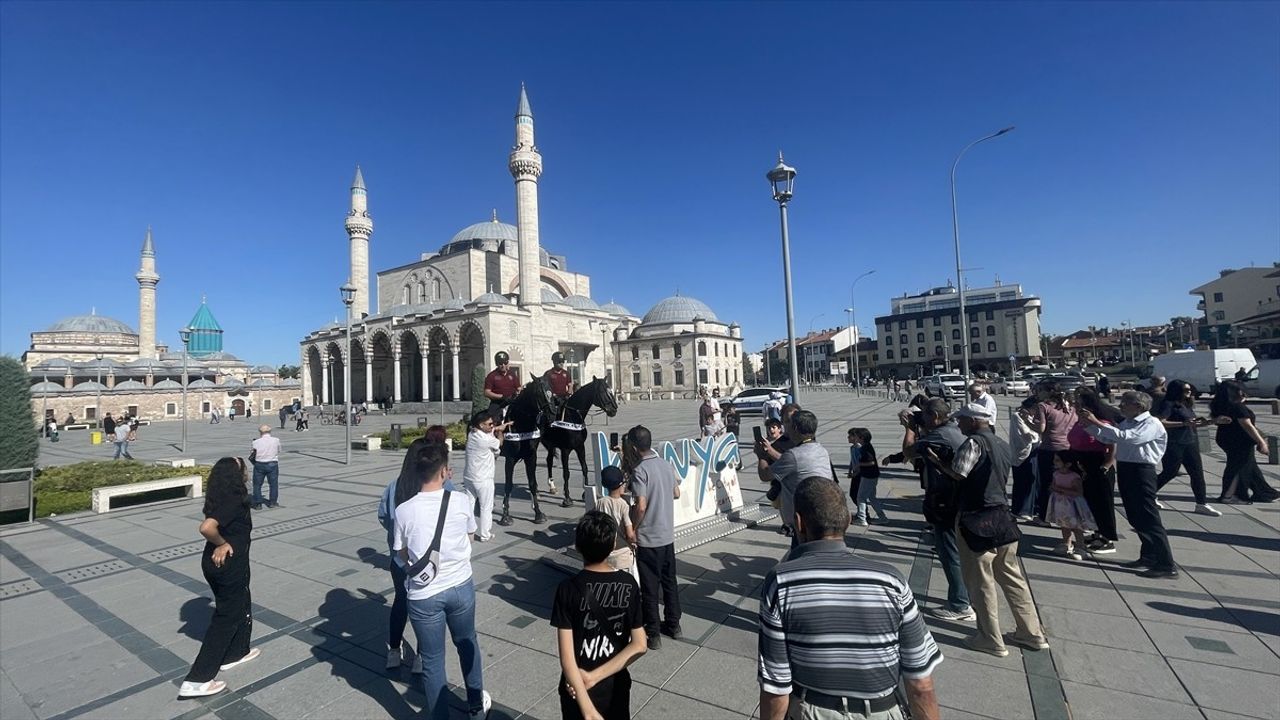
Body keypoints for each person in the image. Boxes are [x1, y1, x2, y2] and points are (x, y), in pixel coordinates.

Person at [757, 477, 942, 720]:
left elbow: (776, 688)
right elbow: (921, 685)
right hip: (883, 710)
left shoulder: (781, 582)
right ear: (848, 520)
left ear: (799, 523)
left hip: (814, 710)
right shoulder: (892, 581)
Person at [924, 402, 1049, 658]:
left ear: (974, 421)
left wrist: (937, 463)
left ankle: (990, 638)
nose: (958, 424)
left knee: (981, 582)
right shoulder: (1002, 444)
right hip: (1002, 516)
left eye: (962, 420)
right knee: (1013, 578)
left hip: (976, 518)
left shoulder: (974, 443)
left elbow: (959, 474)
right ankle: (1031, 633)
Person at [393, 443, 491, 720]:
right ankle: (475, 706)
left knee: (433, 661)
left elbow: (401, 552)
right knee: (467, 642)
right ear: (445, 472)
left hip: (423, 595)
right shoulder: (460, 500)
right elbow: (471, 536)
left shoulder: (404, 510)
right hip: (460, 585)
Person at [552, 511, 648, 720]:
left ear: (578, 546)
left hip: (575, 689)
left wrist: (588, 710)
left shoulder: (567, 589)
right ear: (613, 544)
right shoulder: (628, 584)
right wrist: (594, 677)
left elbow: (567, 657)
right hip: (615, 685)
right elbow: (640, 645)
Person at [179, 457, 258, 698]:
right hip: (227, 563)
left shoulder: (218, 495)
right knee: (227, 616)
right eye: (243, 468)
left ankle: (237, 652)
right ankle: (197, 679)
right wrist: (222, 543)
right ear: (237, 474)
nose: (247, 471)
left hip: (218, 563)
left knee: (241, 601)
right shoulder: (232, 499)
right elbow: (206, 528)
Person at [888, 399, 971, 622]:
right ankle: (965, 596)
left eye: (924, 415)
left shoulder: (940, 436)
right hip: (956, 499)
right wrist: (919, 426)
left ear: (934, 417)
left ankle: (960, 604)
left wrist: (909, 428)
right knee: (956, 551)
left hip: (945, 501)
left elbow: (908, 451)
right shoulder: (951, 429)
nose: (920, 418)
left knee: (949, 552)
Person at [1079, 390, 1178, 579]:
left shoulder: (1151, 423)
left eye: (1125, 403)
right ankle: (1148, 555)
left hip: (1142, 471)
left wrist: (1096, 422)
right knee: (1134, 515)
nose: (1121, 406)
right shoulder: (1128, 422)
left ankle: (1167, 564)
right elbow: (1110, 437)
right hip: (1126, 469)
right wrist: (1088, 426)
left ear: (1138, 406)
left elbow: (1129, 438)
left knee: (1149, 517)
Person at [378, 438, 431, 676]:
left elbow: (383, 517)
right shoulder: (434, 485)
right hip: (427, 562)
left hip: (399, 559)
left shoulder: (393, 486)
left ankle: (394, 651)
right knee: (424, 607)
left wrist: (396, 536)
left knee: (401, 602)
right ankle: (420, 656)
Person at [625, 425, 682, 650]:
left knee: (649, 587)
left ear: (633, 446)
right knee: (670, 582)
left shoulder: (640, 471)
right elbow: (677, 492)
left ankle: (654, 634)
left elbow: (640, 505)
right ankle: (675, 625)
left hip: (649, 538)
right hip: (667, 535)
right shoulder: (666, 465)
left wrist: (633, 528)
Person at [769, 410, 835, 548]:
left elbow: (766, 474)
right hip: (823, 514)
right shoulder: (821, 450)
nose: (785, 427)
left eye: (788, 423)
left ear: (795, 428)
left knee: (801, 554)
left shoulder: (793, 454)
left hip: (803, 522)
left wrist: (762, 455)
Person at [1067, 388, 1121, 554]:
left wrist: (1106, 465)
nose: (1075, 406)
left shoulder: (1102, 422)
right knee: (1089, 501)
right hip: (1080, 463)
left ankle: (1107, 538)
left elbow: (1112, 446)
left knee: (1102, 502)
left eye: (1078, 404)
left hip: (1098, 463)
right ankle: (1097, 532)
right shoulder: (1079, 421)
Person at [1154, 380, 1219, 516]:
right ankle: (1148, 494)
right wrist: (1183, 423)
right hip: (1174, 443)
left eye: (1190, 390)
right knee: (1170, 472)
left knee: (1197, 473)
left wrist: (1212, 422)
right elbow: (1160, 422)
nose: (1189, 392)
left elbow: (1191, 424)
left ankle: (1201, 503)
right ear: (1176, 391)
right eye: (1185, 390)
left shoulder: (1186, 405)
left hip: (1190, 442)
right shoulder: (1169, 404)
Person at [1210, 380, 1279, 504]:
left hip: (1227, 439)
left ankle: (1264, 492)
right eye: (1241, 391)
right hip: (1239, 441)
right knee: (1238, 467)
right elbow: (1247, 426)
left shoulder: (1222, 405)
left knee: (1250, 466)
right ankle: (1229, 495)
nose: (1244, 393)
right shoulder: (1238, 407)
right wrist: (1261, 442)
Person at [1029, 380, 1078, 523]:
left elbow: (1041, 429)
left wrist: (1027, 421)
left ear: (1048, 392)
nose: (1038, 393)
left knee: (1047, 483)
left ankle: (1044, 516)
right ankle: (1069, 515)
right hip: (1068, 448)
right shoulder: (1069, 407)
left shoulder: (1043, 406)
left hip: (1049, 449)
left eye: (1040, 390)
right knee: (1066, 482)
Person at [464, 411, 507, 542]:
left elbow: (487, 431)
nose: (492, 425)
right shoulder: (485, 440)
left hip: (469, 476)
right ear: (481, 425)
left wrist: (494, 428)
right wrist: (500, 432)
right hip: (483, 478)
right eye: (489, 424)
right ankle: (485, 534)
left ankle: (468, 531)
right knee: (486, 507)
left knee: (470, 505)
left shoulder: (472, 433)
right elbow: (499, 443)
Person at [1045, 452, 1096, 560]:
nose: (1055, 462)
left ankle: (1081, 547)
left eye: (1058, 460)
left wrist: (1060, 490)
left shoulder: (1074, 477)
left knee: (1076, 526)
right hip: (1060, 503)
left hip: (1072, 504)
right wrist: (1052, 489)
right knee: (1063, 524)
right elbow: (1053, 485)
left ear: (1068, 464)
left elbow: (1078, 492)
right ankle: (1066, 543)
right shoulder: (1056, 474)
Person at [596, 467, 639, 581]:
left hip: (606, 554)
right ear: (621, 484)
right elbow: (630, 534)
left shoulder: (600, 503)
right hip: (623, 556)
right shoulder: (623, 505)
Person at [1008, 397, 1041, 522]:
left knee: (1033, 482)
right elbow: (1029, 435)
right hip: (1023, 452)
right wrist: (1037, 431)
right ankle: (1021, 509)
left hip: (1034, 450)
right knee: (1023, 481)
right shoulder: (1018, 416)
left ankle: (1030, 508)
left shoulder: (1035, 417)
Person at [850, 428, 887, 526]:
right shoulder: (866, 446)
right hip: (872, 475)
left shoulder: (866, 448)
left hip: (868, 476)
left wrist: (859, 465)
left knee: (861, 497)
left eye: (856, 436)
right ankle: (882, 517)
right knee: (872, 497)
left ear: (861, 438)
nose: (855, 438)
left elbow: (871, 462)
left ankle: (862, 519)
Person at [250, 425, 282, 510]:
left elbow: (253, 453)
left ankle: (258, 504)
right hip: (272, 464)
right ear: (270, 431)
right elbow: (279, 450)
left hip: (259, 464)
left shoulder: (256, 442)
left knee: (257, 485)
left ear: (260, 432)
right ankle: (273, 502)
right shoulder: (276, 440)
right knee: (273, 484)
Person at [483, 351, 521, 420]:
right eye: (500, 363)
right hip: (498, 403)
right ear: (497, 364)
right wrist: (501, 397)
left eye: (505, 363)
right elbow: (486, 392)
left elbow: (519, 388)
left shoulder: (512, 375)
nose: (503, 365)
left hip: (512, 402)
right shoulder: (491, 376)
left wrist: (519, 392)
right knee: (491, 419)